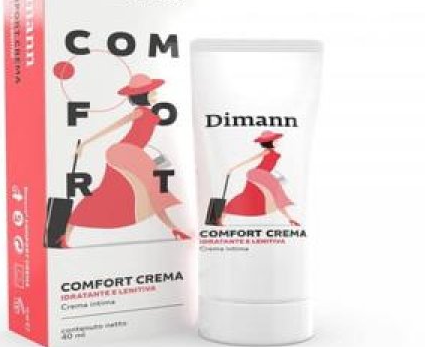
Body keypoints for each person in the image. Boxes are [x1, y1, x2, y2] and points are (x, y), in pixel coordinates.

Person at [58, 74, 190, 247]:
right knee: (153, 190)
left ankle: (64, 235)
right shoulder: (140, 112)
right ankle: (174, 228)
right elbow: (113, 127)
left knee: (114, 191)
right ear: (144, 94)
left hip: (132, 153)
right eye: (152, 91)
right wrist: (85, 143)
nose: (156, 93)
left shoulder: (149, 112)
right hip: (124, 152)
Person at [222, 131, 299, 225]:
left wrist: (278, 176)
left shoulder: (273, 152)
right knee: (274, 195)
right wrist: (233, 168)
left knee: (270, 196)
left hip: (264, 175)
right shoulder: (267, 151)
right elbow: (250, 159)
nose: (277, 142)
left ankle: (290, 219)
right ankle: (223, 214)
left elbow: (270, 166)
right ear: (270, 142)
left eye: (277, 140)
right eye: (275, 140)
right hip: (257, 174)